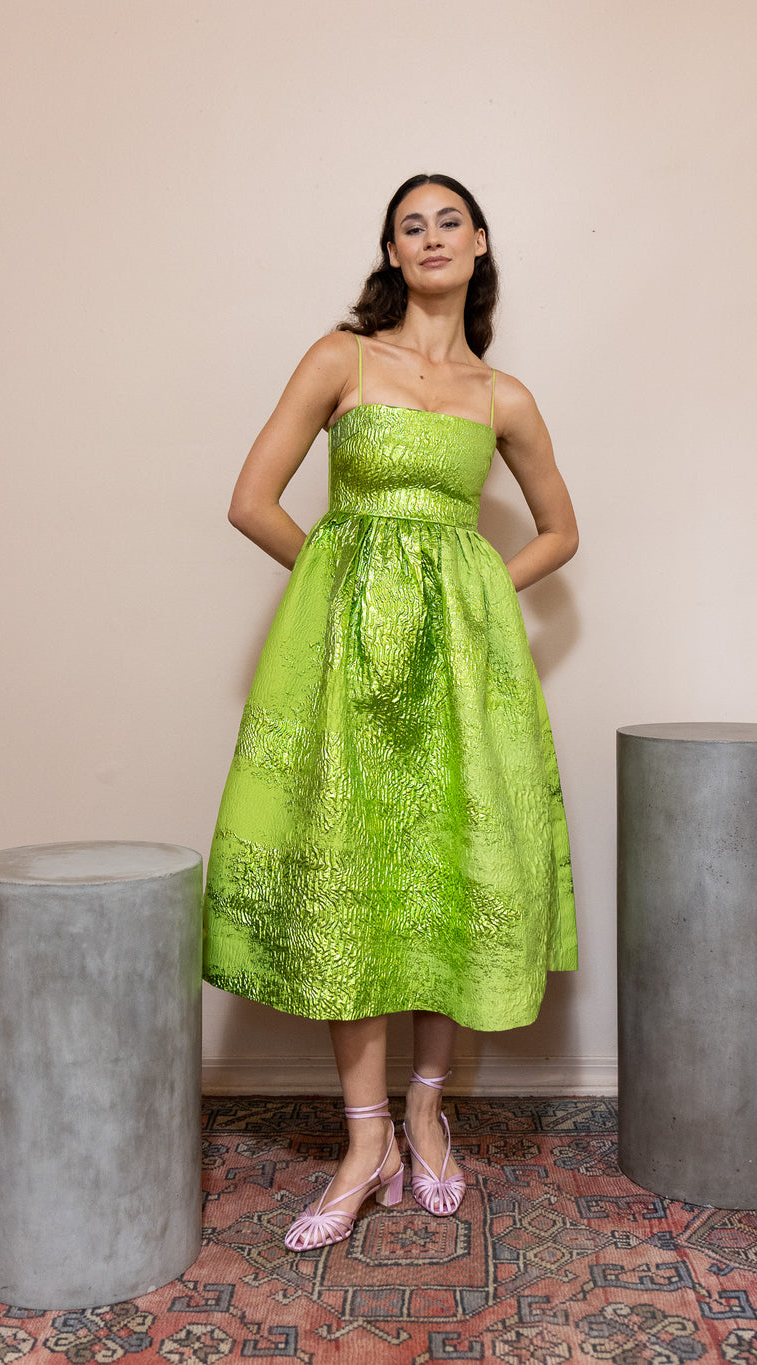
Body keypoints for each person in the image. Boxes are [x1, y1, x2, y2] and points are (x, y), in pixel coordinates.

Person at [203, 173, 579, 1251]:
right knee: (350, 876)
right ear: (392, 252)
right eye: (410, 225)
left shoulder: (503, 396)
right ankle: (364, 1140)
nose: (430, 237)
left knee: (449, 867)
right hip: (349, 669)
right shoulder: (342, 359)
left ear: (479, 243)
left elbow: (558, 531)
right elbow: (251, 501)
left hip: (460, 672)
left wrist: (475, 596)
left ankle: (425, 1112)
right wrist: (344, 587)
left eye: (447, 220)